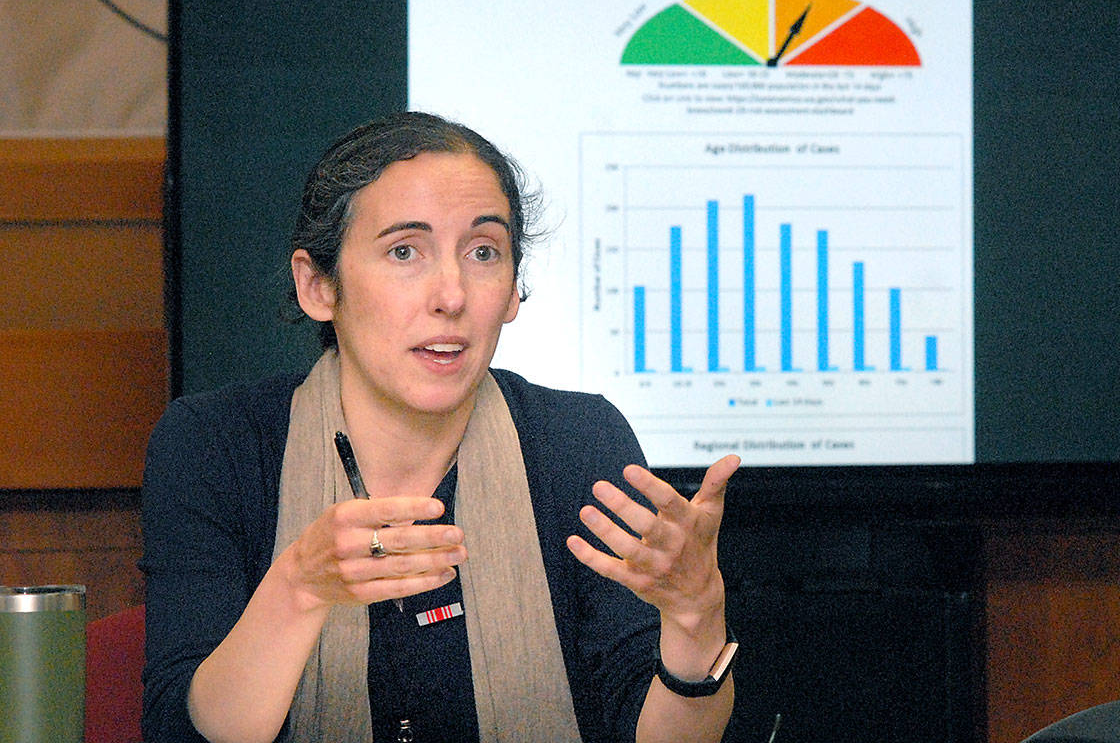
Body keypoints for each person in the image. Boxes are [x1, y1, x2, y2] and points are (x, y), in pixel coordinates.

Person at [140, 111, 741, 743]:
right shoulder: (214, 444)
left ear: (513, 292)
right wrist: (297, 589)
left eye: (484, 253)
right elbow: (184, 731)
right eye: (405, 251)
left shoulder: (578, 440)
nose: (451, 294)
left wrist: (698, 619)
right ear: (317, 285)